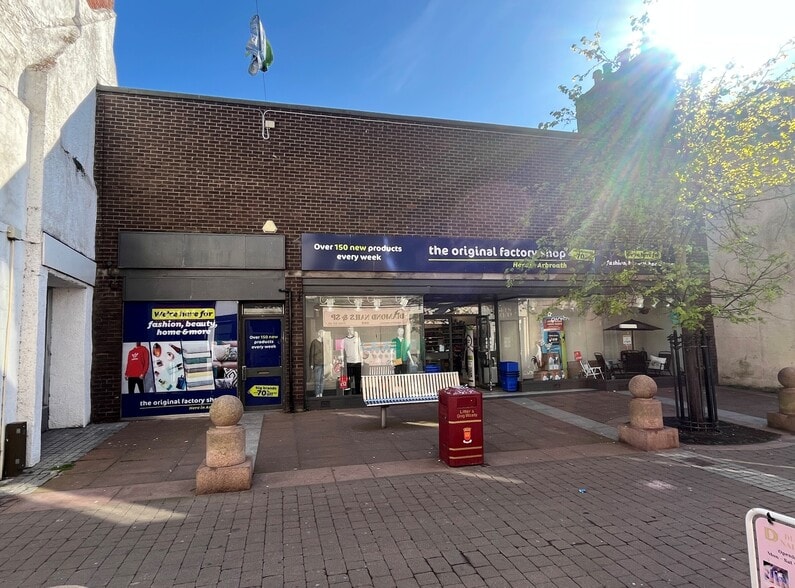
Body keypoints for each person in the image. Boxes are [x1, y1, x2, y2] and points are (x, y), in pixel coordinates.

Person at [343, 326, 363, 394]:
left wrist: (362, 360)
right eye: (350, 329)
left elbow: (360, 349)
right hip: (349, 361)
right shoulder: (344, 340)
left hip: (357, 361)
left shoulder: (357, 339)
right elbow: (343, 351)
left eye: (352, 329)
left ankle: (358, 392)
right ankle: (349, 393)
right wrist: (343, 361)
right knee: (349, 379)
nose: (351, 330)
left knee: (357, 379)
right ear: (348, 330)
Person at [309, 330, 325, 397]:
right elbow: (311, 353)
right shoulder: (314, 342)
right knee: (317, 380)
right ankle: (317, 394)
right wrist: (311, 364)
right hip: (317, 364)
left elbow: (327, 352)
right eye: (322, 333)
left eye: (324, 334)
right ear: (319, 334)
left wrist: (329, 362)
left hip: (324, 364)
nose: (323, 335)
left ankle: (321, 393)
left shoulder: (324, 342)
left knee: (322, 380)